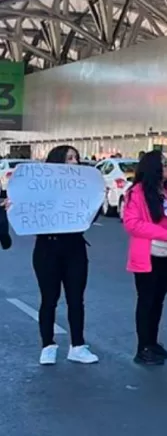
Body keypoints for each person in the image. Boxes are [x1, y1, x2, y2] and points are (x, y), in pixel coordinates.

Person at [15, 145, 100, 365]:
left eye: (76, 158)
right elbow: (26, 208)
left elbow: (88, 218)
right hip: (47, 249)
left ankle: (77, 345)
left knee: (76, 299)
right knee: (49, 299)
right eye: (69, 158)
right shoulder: (42, 188)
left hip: (74, 248)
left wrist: (99, 198)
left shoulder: (82, 189)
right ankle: (47, 345)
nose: (74, 162)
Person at [122, 150, 167, 365]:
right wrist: (164, 233)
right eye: (164, 164)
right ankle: (142, 347)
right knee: (146, 300)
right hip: (148, 254)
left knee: (158, 300)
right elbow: (132, 224)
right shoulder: (137, 193)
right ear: (154, 169)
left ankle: (152, 342)